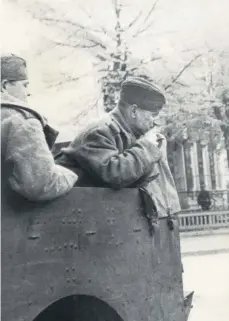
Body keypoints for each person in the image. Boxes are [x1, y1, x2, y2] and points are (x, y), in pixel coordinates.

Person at [56, 76, 181, 221]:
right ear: (134, 111)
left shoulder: (134, 135)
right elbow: (115, 174)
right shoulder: (100, 131)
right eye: (153, 115)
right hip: (74, 219)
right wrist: (147, 147)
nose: (155, 122)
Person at [1, 54, 77, 201]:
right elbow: (42, 185)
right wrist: (71, 175)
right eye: (24, 85)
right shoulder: (21, 122)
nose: (27, 92)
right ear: (4, 86)